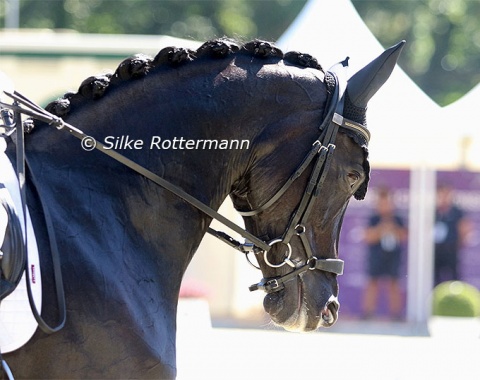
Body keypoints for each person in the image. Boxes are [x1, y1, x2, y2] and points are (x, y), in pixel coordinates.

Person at [362, 188, 407, 320]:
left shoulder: (397, 218)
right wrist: (381, 228)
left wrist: (393, 228)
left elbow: (404, 236)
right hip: (376, 254)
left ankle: (396, 314)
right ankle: (368, 313)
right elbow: (368, 237)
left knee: (394, 283)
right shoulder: (374, 218)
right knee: (372, 282)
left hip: (393, 256)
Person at [434, 183, 471, 286]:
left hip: (451, 248)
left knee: (455, 279)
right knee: (435, 279)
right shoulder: (434, 212)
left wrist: (459, 242)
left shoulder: (457, 211)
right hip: (436, 249)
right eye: (442, 194)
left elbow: (464, 227)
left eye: (447, 194)